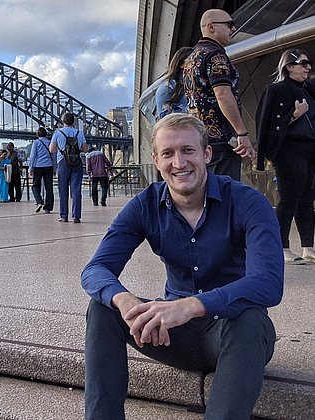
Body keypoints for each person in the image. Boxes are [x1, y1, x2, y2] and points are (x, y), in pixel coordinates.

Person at [82, 113, 283, 419]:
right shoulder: (145, 205)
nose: (179, 163)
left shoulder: (248, 202)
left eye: (188, 151)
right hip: (173, 335)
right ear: (156, 159)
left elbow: (268, 282)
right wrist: (126, 301)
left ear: (206, 154)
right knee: (102, 308)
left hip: (233, 333)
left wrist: (191, 305)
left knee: (251, 320)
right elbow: (95, 270)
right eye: (168, 154)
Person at [256, 49, 315, 265]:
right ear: (289, 66)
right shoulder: (276, 90)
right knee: (289, 199)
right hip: (288, 150)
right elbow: (264, 125)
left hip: (309, 150)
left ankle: (308, 246)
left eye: (309, 64)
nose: (307, 67)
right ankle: (282, 247)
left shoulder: (308, 89)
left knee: (307, 199)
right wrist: (293, 115)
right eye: (303, 63)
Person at [183, 9, 256, 181]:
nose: (233, 29)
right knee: (224, 191)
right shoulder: (216, 56)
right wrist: (242, 134)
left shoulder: (192, 57)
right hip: (222, 141)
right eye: (229, 24)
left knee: (207, 191)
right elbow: (223, 94)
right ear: (211, 27)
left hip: (200, 138)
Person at [50, 112, 87, 223]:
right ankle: (76, 216)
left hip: (62, 163)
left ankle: (64, 216)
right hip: (77, 163)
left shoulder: (58, 133)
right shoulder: (79, 133)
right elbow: (85, 149)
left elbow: (51, 149)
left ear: (63, 121)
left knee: (63, 190)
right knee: (76, 190)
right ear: (73, 122)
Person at [155, 46, 193, 120]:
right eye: (192, 61)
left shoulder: (194, 84)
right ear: (182, 64)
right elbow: (165, 119)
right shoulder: (167, 87)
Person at [29, 127, 55, 214]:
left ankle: (39, 201)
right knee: (49, 187)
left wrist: (30, 168)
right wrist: (54, 168)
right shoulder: (50, 142)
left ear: (38, 134)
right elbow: (53, 156)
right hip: (49, 166)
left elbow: (33, 156)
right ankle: (48, 207)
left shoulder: (36, 143)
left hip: (38, 166)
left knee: (35, 186)